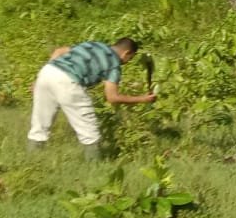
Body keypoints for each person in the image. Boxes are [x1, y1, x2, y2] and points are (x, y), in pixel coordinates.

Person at [28, 37, 156, 160]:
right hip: (68, 81)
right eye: (130, 58)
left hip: (48, 71)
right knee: (89, 131)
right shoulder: (113, 64)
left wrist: (41, 80)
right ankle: (94, 165)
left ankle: (33, 160)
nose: (127, 62)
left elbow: (59, 51)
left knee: (39, 125)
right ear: (126, 53)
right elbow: (112, 97)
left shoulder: (94, 45)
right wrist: (143, 99)